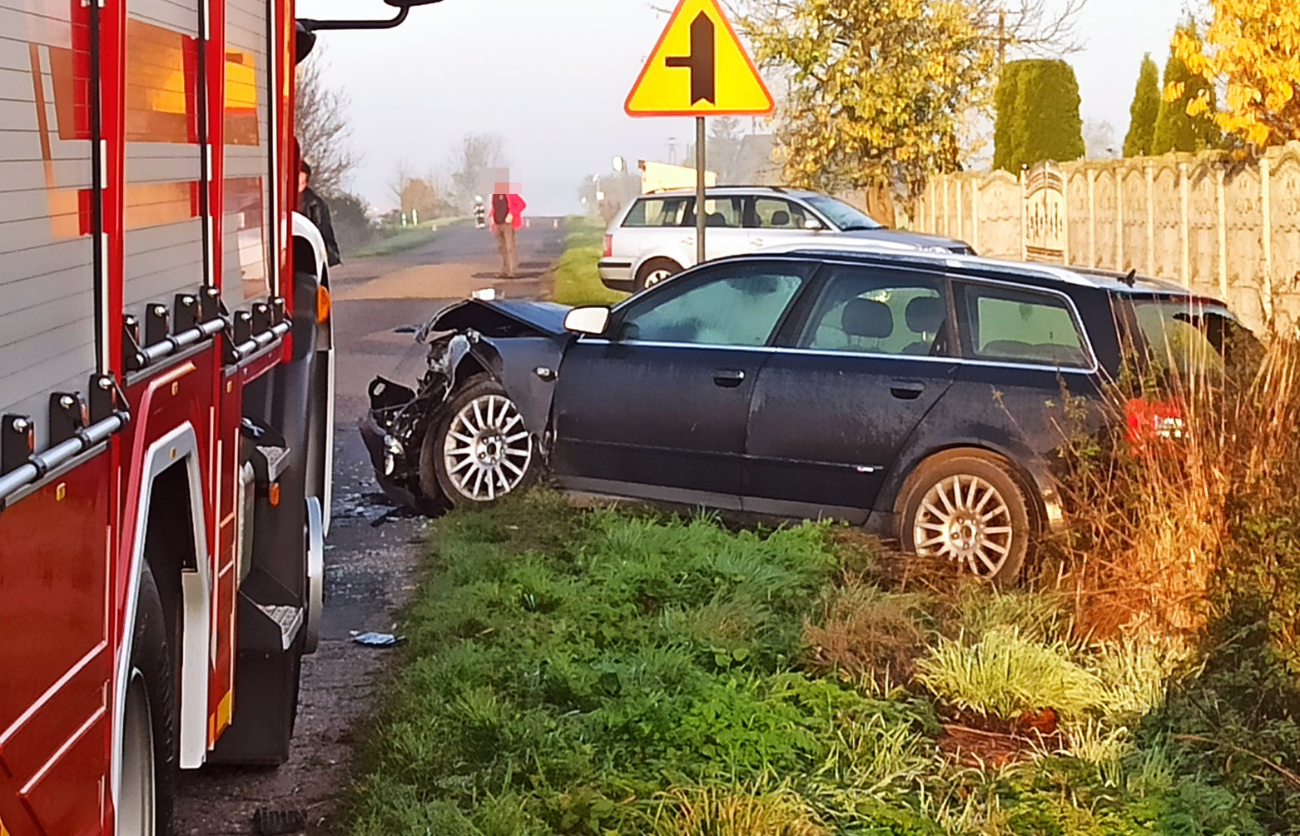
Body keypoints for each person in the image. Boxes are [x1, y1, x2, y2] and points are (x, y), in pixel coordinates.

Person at [298, 160, 342, 267]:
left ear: (304, 176)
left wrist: (327, 251)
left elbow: (322, 228)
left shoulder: (314, 202)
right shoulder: (283, 198)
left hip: (309, 253)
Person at [489, 186, 526, 278]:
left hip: (508, 224)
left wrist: (512, 214)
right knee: (501, 248)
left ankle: (513, 271)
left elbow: (522, 204)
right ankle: (504, 270)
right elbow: (494, 208)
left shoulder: (511, 193)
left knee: (510, 247)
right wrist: (491, 218)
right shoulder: (494, 195)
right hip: (498, 223)